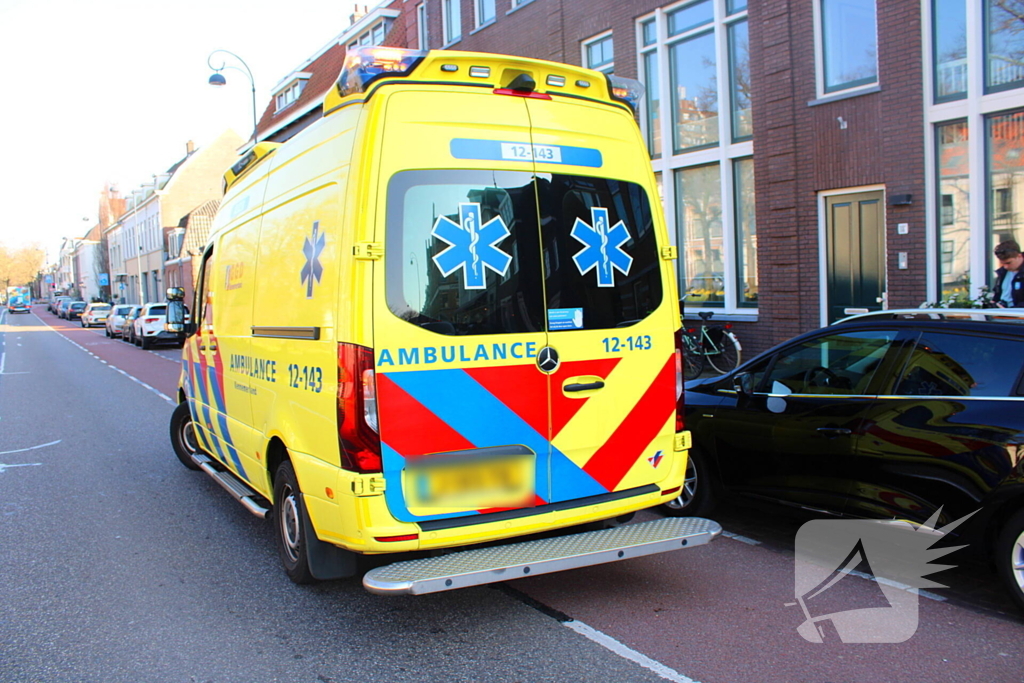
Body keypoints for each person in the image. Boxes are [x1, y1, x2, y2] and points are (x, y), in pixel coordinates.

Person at [993, 240, 1024, 308]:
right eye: (1002, 263)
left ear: (1019, 256)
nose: (1005, 267)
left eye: (1008, 263)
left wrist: (1012, 309)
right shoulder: (1002, 272)